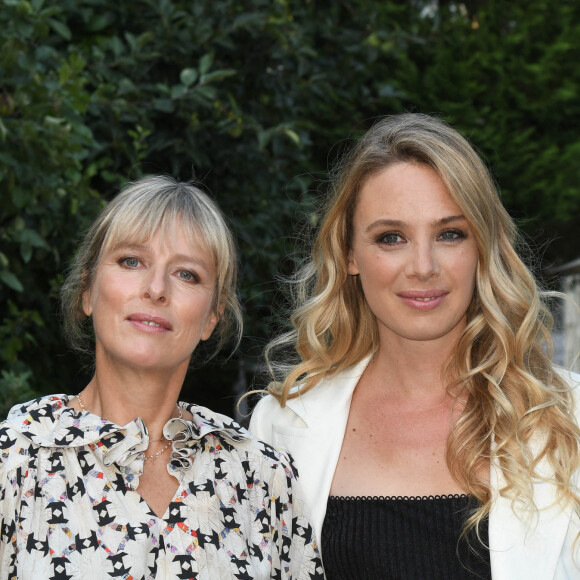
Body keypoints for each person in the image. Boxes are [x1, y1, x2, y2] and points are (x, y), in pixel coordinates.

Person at [250, 114, 580, 579]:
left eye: (450, 234)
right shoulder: (281, 426)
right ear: (349, 255)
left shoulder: (569, 417)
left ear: (482, 247)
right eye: (391, 238)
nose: (423, 266)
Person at [0, 176, 324, 579]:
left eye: (186, 274)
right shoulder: (14, 460)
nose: (156, 289)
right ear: (88, 289)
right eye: (131, 261)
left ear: (211, 316)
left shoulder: (262, 477)